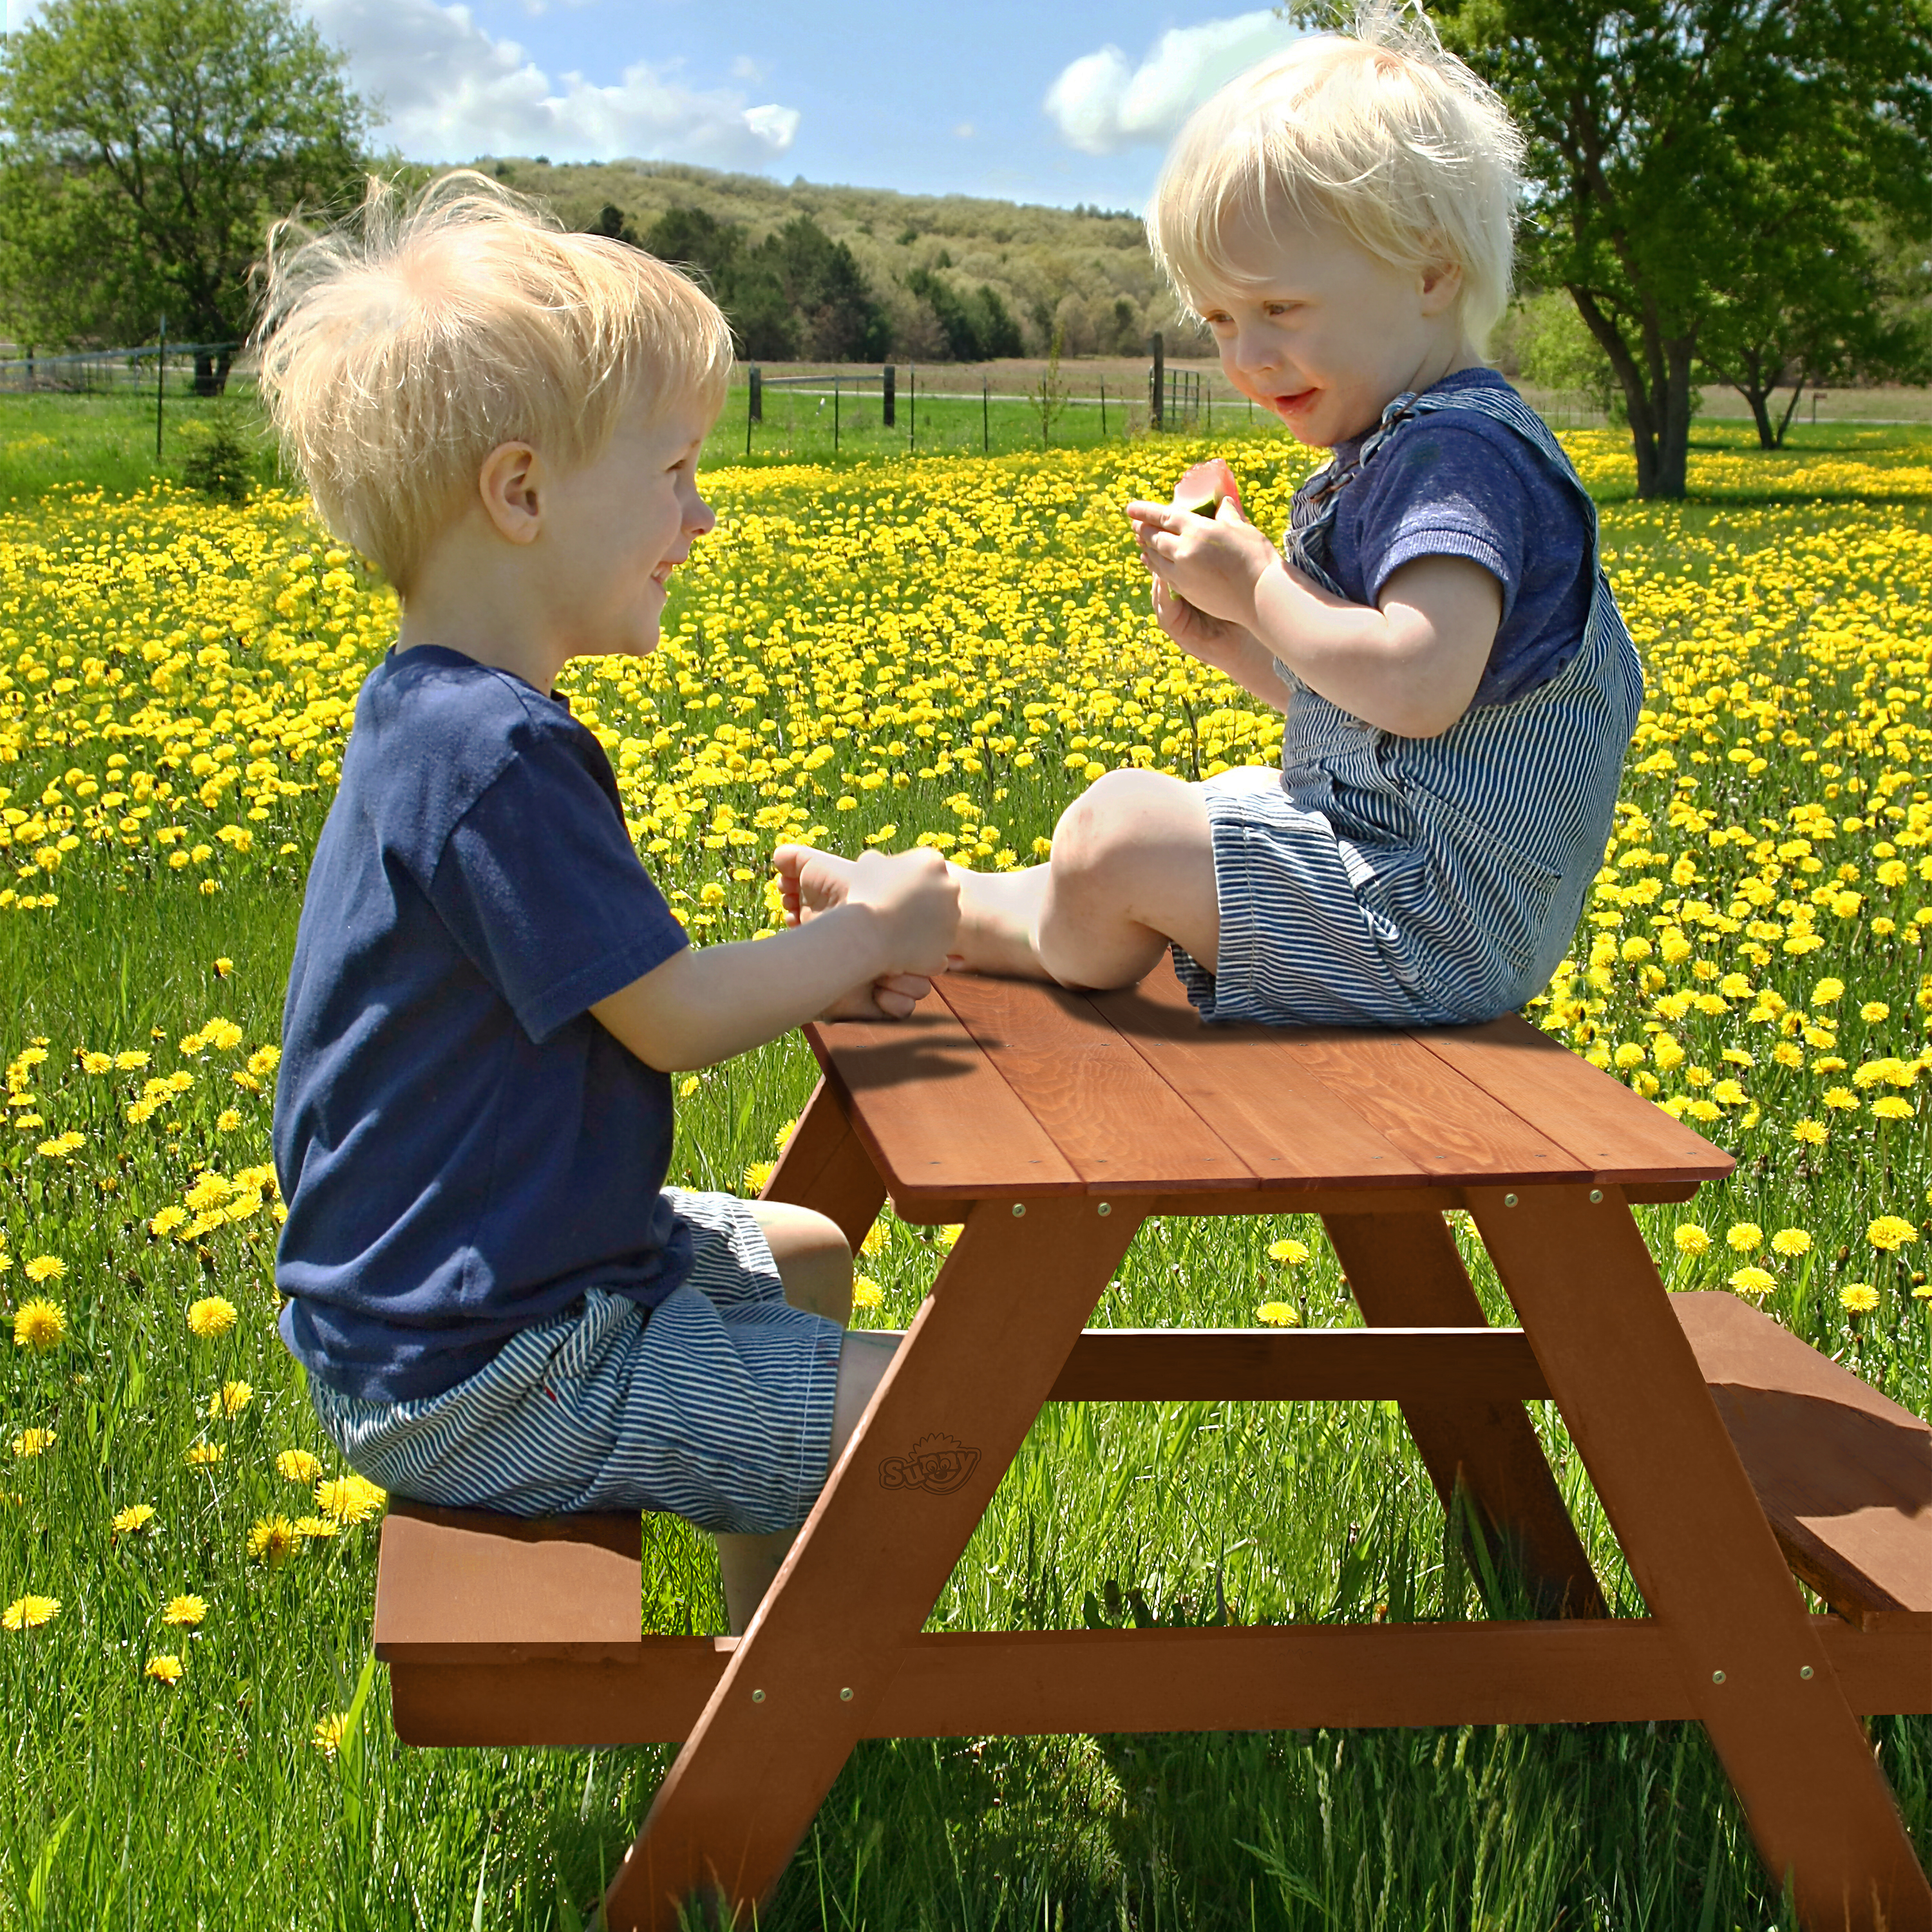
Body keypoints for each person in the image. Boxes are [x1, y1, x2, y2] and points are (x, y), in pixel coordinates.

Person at [255, 172, 959, 1634]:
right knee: (937, 1414)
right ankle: (789, 1740)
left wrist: (835, 952)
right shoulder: (497, 750)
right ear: (520, 494)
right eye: (676, 472)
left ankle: (764, 1666)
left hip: (454, 1298)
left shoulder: (429, 710)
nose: (700, 518)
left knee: (813, 1254)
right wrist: (873, 935)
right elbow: (674, 1020)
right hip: (487, 1365)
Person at [780, 18, 1641, 1029]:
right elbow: (1385, 727)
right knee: (1119, 845)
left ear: (1429, 273)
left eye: (1280, 306)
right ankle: (921, 913)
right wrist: (1234, 639)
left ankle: (944, 921)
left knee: (1120, 832)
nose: (1247, 356)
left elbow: (1416, 683)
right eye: (1222, 320)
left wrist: (1260, 587)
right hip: (1400, 886)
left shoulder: (1459, 460)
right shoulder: (1408, 451)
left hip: (1427, 923)